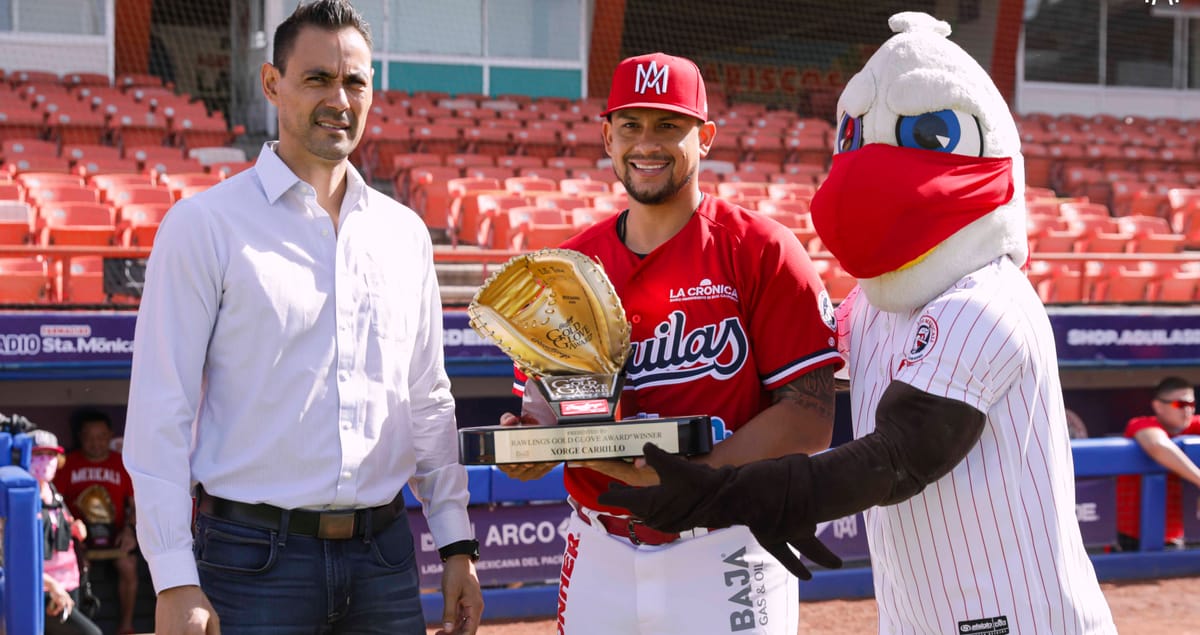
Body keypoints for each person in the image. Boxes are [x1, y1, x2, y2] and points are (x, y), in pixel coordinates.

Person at [599, 13, 1116, 633]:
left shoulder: (988, 299)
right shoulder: (871, 308)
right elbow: (779, 364)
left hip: (1025, 617)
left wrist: (726, 493)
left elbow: (899, 458)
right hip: (916, 616)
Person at [122, 2, 483, 634]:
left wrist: (456, 545)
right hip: (248, 564)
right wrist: (174, 578)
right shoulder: (205, 225)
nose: (339, 99)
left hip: (384, 558)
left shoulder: (406, 234)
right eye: (317, 78)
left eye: (354, 82)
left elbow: (427, 400)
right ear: (272, 83)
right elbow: (161, 412)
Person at [499, 52, 842, 635]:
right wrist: (529, 444)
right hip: (600, 546)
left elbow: (810, 419)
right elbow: (544, 409)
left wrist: (695, 474)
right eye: (630, 125)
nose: (646, 144)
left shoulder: (763, 250)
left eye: (668, 125)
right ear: (607, 136)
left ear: (704, 137)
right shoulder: (568, 268)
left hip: (728, 542)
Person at [54, 407, 138, 635]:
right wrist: (70, 530)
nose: (96, 443)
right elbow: (55, 504)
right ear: (80, 438)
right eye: (90, 438)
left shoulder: (122, 464)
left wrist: (130, 531)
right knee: (77, 569)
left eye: (101, 437)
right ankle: (79, 625)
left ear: (110, 435)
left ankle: (126, 625)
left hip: (115, 537)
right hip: (79, 539)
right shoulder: (67, 464)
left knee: (128, 566)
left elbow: (136, 505)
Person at [31, 429, 103, 635]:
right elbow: (14, 557)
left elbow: (63, 523)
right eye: (38, 455)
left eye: (51, 455)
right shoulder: (21, 496)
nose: (46, 461)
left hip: (70, 581)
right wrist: (52, 587)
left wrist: (75, 527)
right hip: (44, 589)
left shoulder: (53, 492)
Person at [1116, 376, 1200, 551]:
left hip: (1174, 537)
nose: (1187, 411)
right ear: (1158, 406)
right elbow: (1158, 445)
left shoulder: (1193, 425)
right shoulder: (1142, 424)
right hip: (1130, 538)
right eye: (1180, 405)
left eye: (1191, 405)